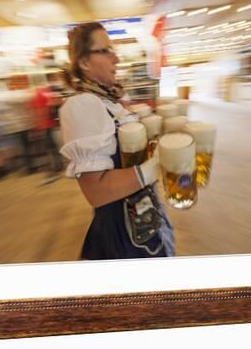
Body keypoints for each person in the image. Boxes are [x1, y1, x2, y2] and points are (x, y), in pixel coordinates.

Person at [58, 21, 175, 260]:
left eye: (113, 50)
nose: (116, 59)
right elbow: (97, 191)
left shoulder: (110, 101)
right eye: (106, 51)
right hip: (122, 236)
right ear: (84, 62)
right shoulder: (82, 105)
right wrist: (157, 165)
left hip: (145, 220)